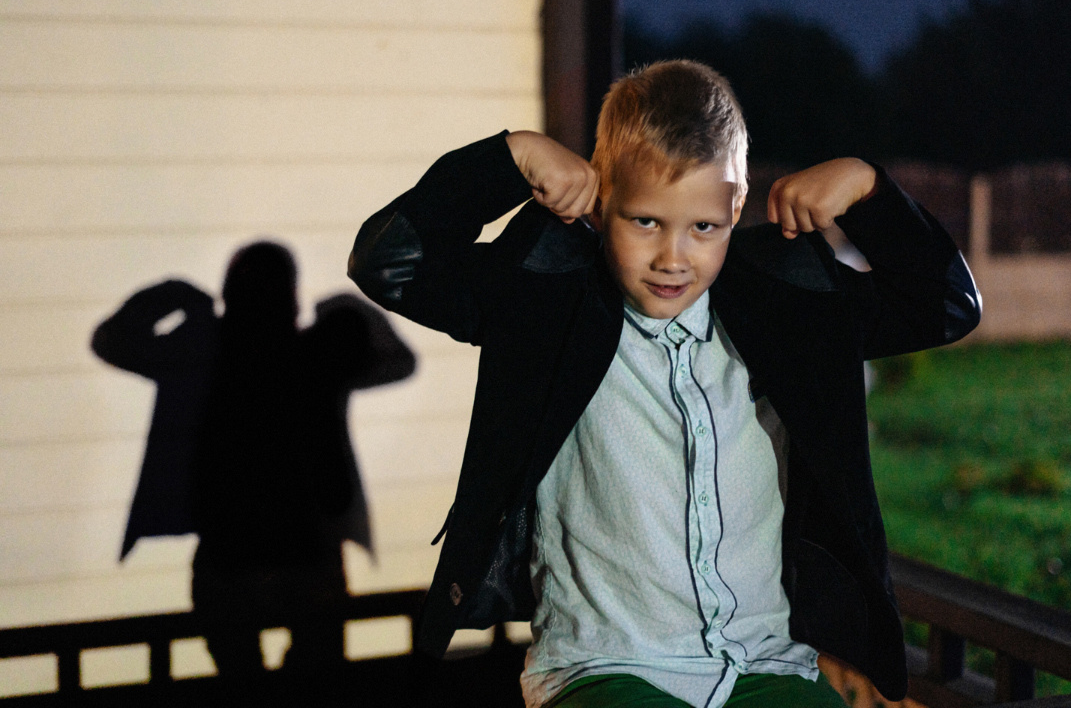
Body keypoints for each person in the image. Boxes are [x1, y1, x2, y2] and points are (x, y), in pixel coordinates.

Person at [348, 61, 980, 707]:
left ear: (736, 206)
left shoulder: (788, 305)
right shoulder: (548, 301)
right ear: (601, 200)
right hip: (609, 667)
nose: (672, 258)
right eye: (644, 222)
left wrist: (871, 194)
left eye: (704, 227)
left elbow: (949, 306)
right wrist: (506, 160)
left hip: (766, 664)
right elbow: (389, 264)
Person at [93, 241, 416, 680]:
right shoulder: (316, 356)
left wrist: (171, 296)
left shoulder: (199, 356)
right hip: (307, 547)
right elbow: (398, 361)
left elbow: (112, 342)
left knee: (242, 679)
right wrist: (344, 307)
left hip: (231, 549)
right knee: (317, 675)